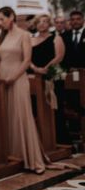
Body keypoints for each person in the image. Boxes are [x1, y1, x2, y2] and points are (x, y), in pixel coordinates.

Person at [0, 6, 45, 174]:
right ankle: (11, 155)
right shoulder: (1, 37)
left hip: (17, 79)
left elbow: (27, 60)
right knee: (6, 117)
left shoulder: (24, 35)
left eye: (2, 19)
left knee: (20, 115)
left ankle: (29, 158)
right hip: (2, 80)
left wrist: (12, 77)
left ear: (11, 18)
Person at [29, 13, 68, 144]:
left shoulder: (56, 38)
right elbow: (27, 58)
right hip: (35, 77)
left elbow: (59, 57)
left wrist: (45, 68)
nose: (42, 24)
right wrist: (35, 69)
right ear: (35, 24)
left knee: (55, 108)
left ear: (49, 24)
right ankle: (42, 140)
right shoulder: (31, 40)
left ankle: (60, 139)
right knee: (36, 108)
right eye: (39, 22)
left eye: (45, 21)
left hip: (53, 76)